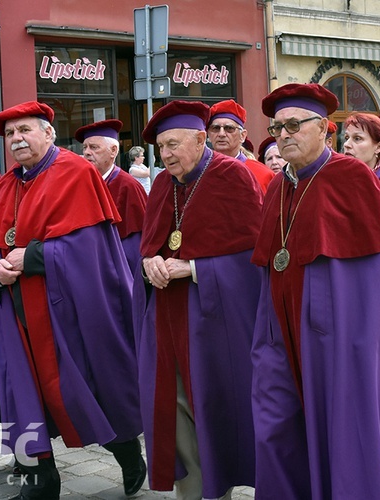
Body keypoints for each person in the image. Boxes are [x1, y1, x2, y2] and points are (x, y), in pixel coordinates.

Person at [0, 101, 146, 500]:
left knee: (82, 390)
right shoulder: (7, 184)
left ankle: (125, 449)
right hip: (19, 311)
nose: (17, 139)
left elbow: (92, 249)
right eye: (10, 134)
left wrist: (35, 256)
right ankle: (41, 480)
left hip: (68, 310)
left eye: (25, 130)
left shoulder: (76, 173)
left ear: (48, 133)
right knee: (25, 392)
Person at [251, 83, 380, 499]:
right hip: (283, 335)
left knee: (343, 432)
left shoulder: (351, 176)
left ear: (324, 130)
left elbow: (378, 278)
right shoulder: (279, 185)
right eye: (277, 127)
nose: (283, 134)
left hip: (338, 339)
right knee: (276, 425)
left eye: (294, 125)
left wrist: (363, 346)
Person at [137, 100, 263, 500]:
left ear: (199, 138)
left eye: (173, 144)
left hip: (214, 320)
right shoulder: (161, 185)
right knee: (174, 412)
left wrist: (194, 270)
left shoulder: (232, 177)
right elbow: (149, 245)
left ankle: (218, 490)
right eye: (161, 148)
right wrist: (150, 262)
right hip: (165, 317)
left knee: (211, 407)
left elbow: (253, 258)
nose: (166, 155)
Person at [75, 119, 148, 272]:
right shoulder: (80, 183)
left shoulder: (128, 186)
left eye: (94, 147)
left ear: (114, 151)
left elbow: (134, 247)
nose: (87, 152)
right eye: (85, 147)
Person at [207, 99, 274, 192]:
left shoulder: (263, 174)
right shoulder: (199, 172)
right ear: (208, 135)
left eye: (229, 128)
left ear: (242, 136)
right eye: (215, 128)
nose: (221, 134)